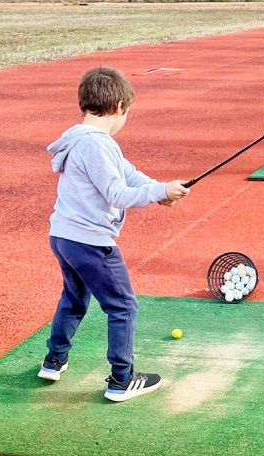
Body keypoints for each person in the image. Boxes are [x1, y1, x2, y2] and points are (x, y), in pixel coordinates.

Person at [39, 66, 190, 402]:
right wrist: (158, 192)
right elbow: (117, 194)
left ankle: (54, 361)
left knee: (74, 298)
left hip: (63, 237)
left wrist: (160, 190)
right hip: (91, 243)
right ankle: (121, 379)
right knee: (122, 306)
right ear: (120, 107)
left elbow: (129, 174)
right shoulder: (98, 144)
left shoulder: (80, 138)